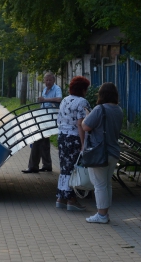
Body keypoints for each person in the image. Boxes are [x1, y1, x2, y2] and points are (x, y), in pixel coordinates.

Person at [82, 82, 123, 223]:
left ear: (101, 94)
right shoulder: (119, 110)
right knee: (107, 183)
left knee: (99, 185)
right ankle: (105, 212)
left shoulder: (99, 109)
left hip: (100, 152)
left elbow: (86, 126)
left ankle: (101, 215)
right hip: (113, 151)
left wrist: (88, 116)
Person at [56, 76, 91, 211]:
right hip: (74, 138)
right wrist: (83, 144)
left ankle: (61, 198)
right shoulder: (82, 102)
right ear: (82, 89)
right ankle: (72, 200)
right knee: (74, 169)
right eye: (86, 89)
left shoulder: (65, 100)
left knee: (64, 167)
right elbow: (81, 124)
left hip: (62, 137)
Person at [22, 72, 62, 173]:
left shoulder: (56, 89)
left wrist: (45, 100)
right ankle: (47, 165)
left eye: (50, 80)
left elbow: (59, 99)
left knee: (37, 138)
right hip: (44, 116)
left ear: (53, 81)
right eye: (46, 80)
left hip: (51, 117)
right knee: (44, 141)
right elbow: (44, 102)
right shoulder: (45, 89)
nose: (48, 82)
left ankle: (33, 166)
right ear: (44, 81)